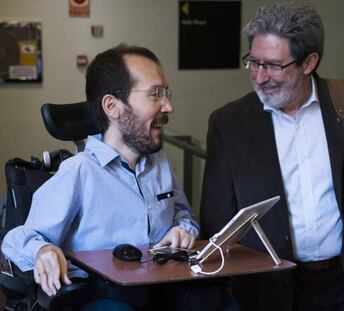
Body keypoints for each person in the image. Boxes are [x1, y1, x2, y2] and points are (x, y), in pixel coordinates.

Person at [200, 3, 344, 311]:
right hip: (268, 289)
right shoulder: (229, 123)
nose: (259, 76)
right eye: (253, 62)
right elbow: (216, 217)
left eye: (272, 65)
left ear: (309, 62)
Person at [1, 45, 201, 310]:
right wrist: (43, 251)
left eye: (166, 93)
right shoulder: (80, 170)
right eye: (156, 94)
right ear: (112, 106)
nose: (169, 106)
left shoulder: (160, 164)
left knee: (218, 301)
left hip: (161, 286)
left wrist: (183, 230)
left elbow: (185, 217)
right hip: (104, 295)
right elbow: (16, 239)